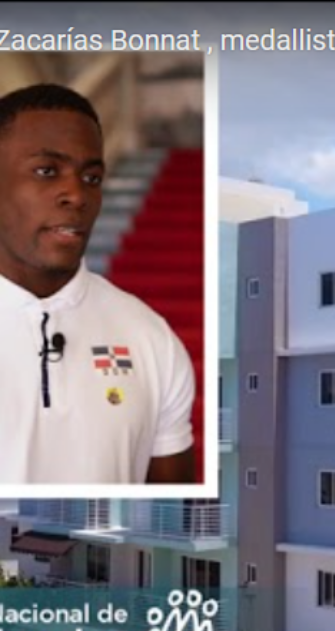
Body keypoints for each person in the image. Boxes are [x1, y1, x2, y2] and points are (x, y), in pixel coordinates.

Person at [0, 83, 197, 484]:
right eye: (46, 171)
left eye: (91, 177)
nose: (77, 194)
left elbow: (174, 510)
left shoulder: (150, 336)